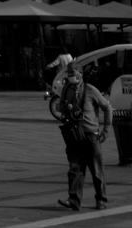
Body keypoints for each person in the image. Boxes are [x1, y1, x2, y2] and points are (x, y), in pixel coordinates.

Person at [56, 64, 111, 212]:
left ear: (80, 73)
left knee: (96, 169)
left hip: (90, 135)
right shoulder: (66, 89)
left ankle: (101, 199)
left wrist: (106, 130)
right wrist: (64, 108)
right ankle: (74, 199)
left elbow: (107, 107)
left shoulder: (90, 90)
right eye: (68, 72)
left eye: (72, 72)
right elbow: (59, 107)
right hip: (74, 135)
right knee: (75, 168)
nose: (69, 75)